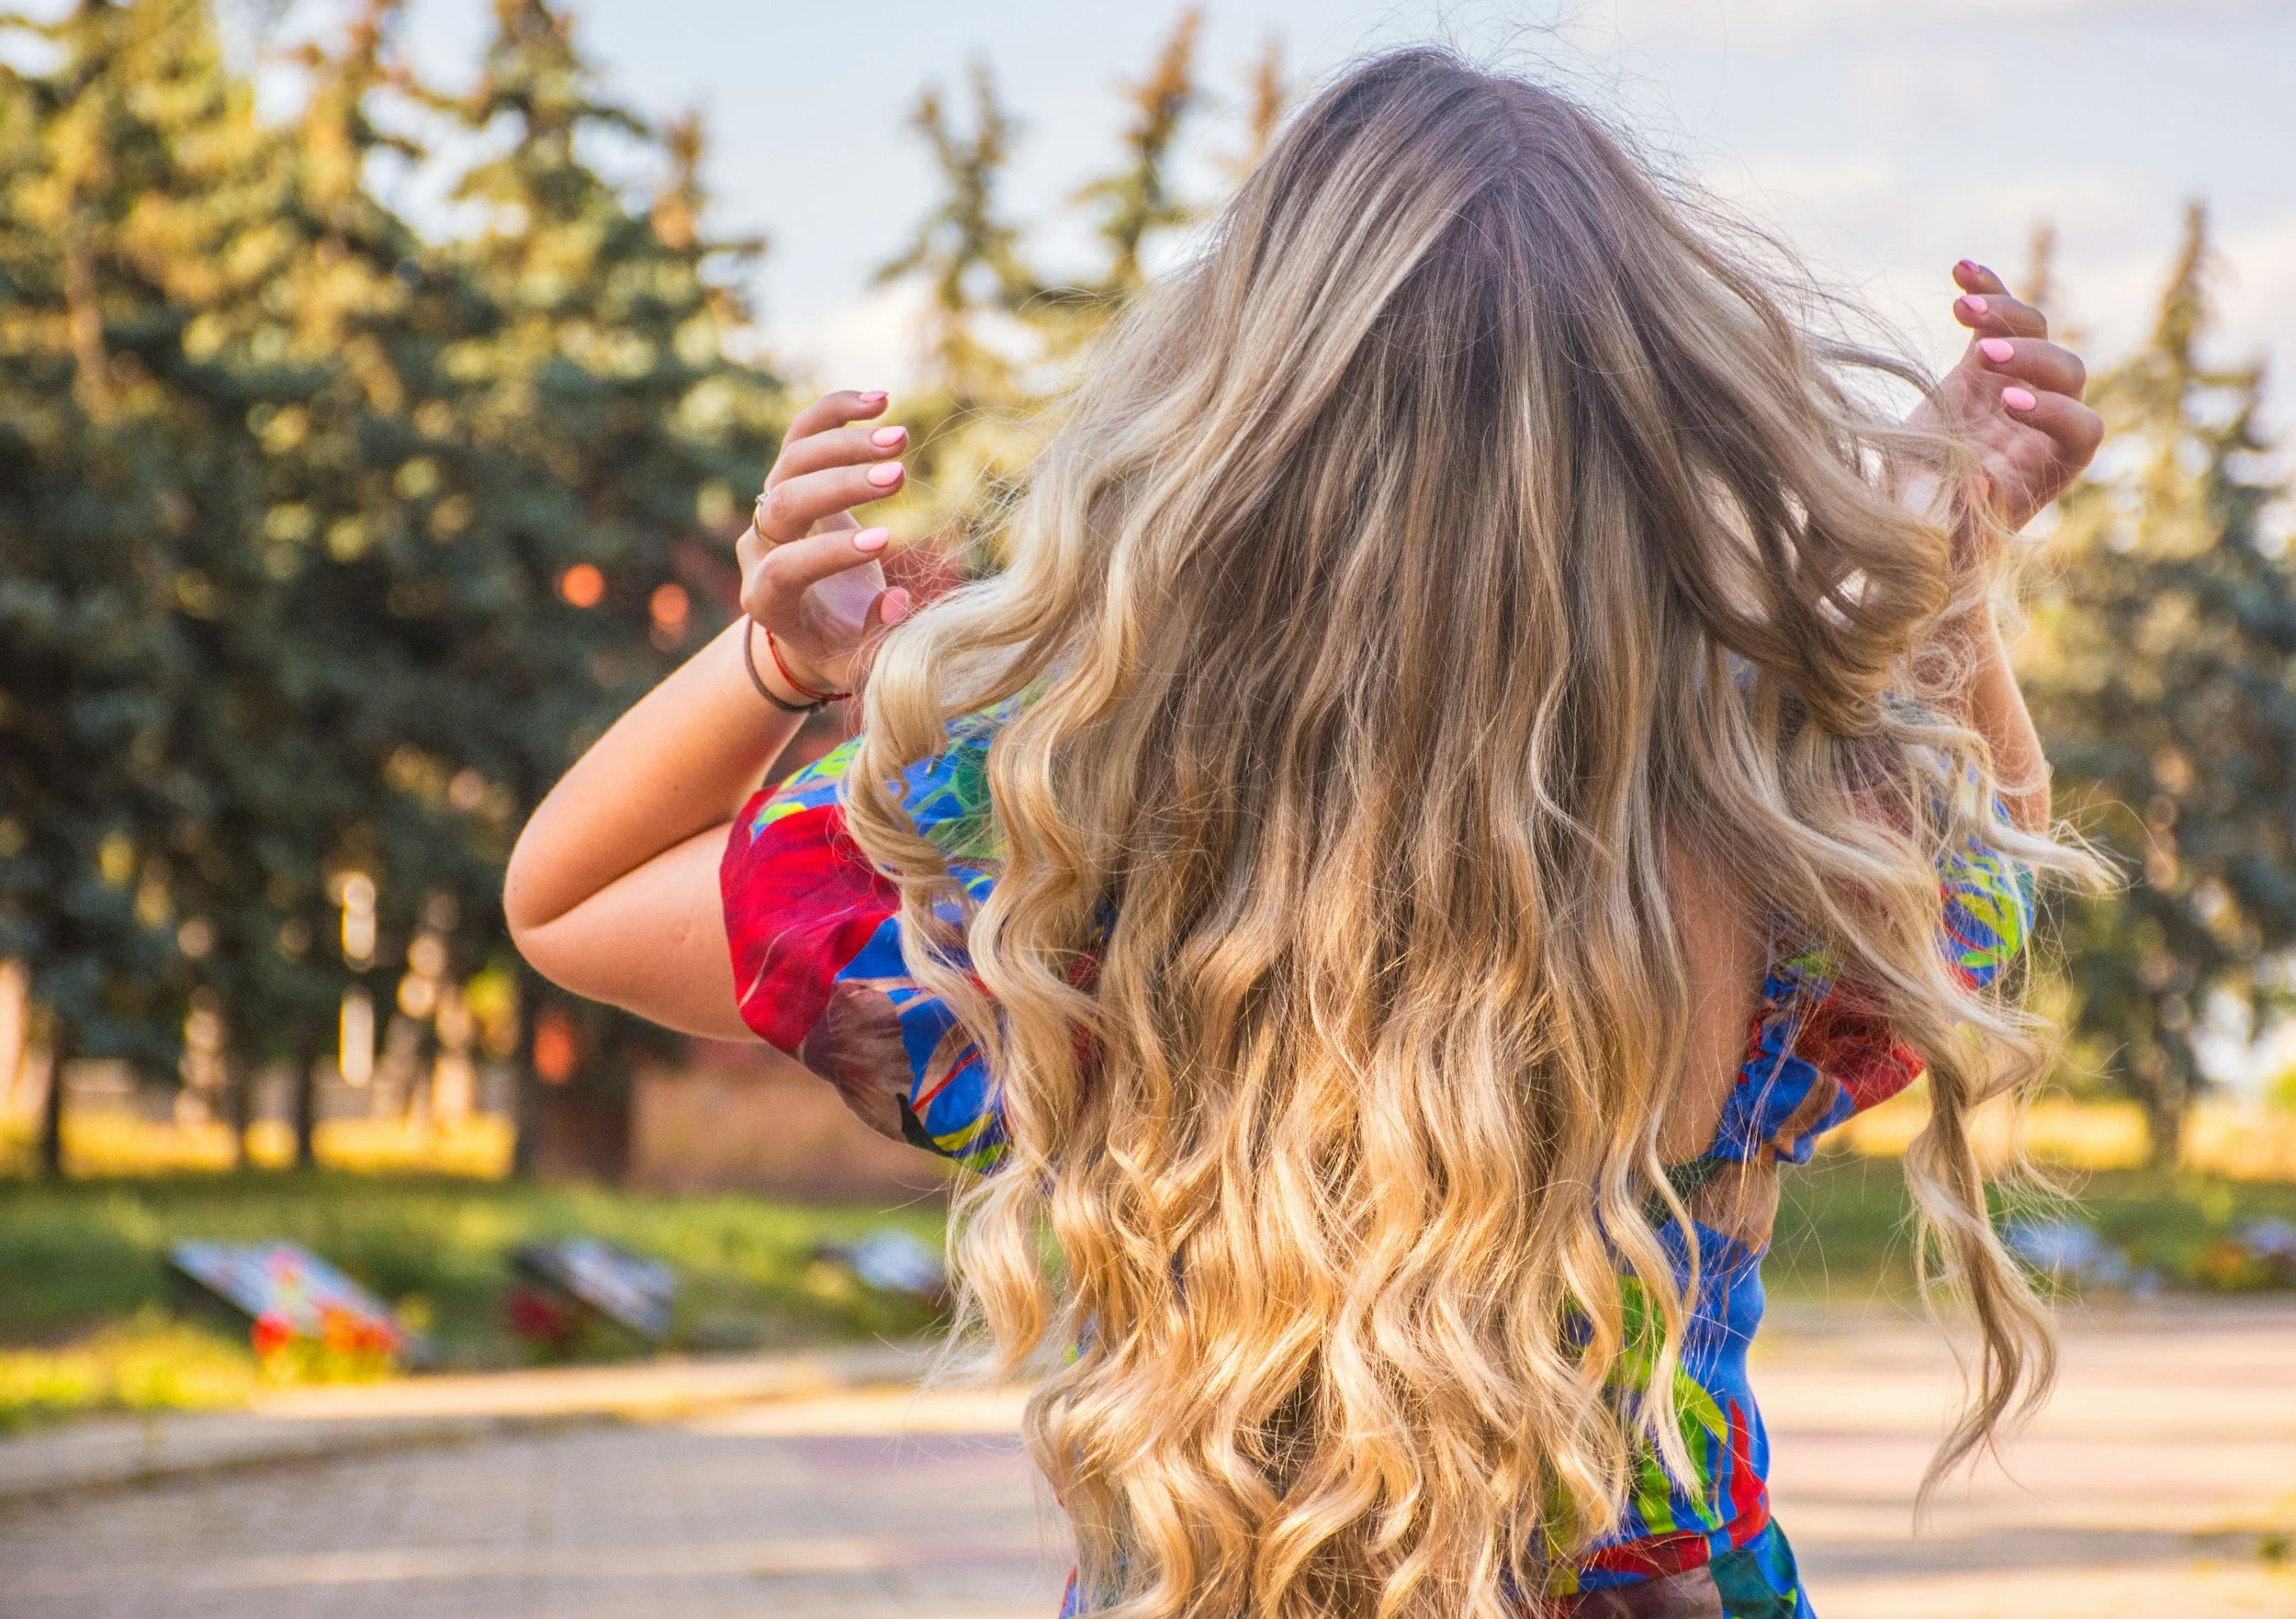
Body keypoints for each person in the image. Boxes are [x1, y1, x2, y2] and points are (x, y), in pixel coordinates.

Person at [504, 50, 2103, 1619]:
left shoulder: (1064, 840)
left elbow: (573, 899)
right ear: (1670, 449)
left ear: (1228, 428)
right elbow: (1990, 876)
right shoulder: (1773, 835)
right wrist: (1946, 563)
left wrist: (779, 662)